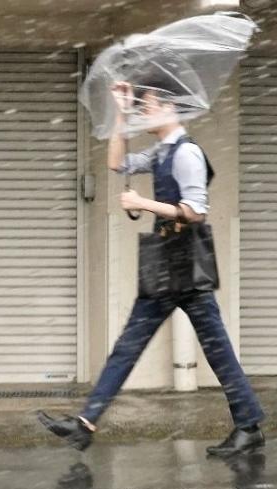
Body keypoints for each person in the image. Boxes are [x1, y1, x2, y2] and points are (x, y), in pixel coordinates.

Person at [38, 78, 265, 457]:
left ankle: (248, 427)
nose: (144, 111)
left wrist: (143, 202)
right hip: (165, 262)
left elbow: (196, 210)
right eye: (142, 107)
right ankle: (85, 425)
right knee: (129, 346)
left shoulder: (186, 153)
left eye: (148, 105)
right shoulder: (161, 151)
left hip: (185, 262)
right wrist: (121, 115)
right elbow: (116, 163)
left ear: (171, 107)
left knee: (216, 349)